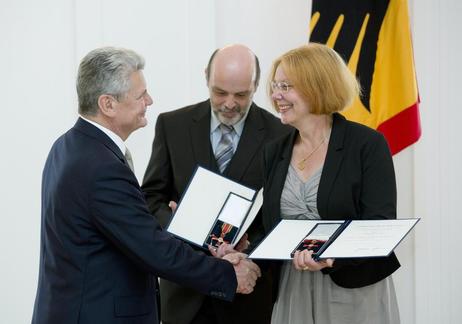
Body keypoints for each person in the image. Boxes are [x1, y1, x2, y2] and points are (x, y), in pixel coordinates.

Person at [31, 46, 261, 324]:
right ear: (108, 104)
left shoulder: (69, 145)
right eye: (140, 95)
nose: (149, 101)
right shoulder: (101, 167)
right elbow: (153, 249)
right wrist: (226, 274)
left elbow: (126, 231)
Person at [142, 44, 290, 324]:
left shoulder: (282, 134)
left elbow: (282, 213)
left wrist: (247, 253)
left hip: (249, 296)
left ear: (257, 85)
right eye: (220, 92)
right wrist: (180, 223)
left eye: (241, 94)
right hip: (184, 296)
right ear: (206, 78)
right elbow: (150, 197)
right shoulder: (172, 125)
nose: (229, 103)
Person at [261, 43, 401, 324]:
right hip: (294, 289)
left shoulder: (367, 144)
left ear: (317, 86)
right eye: (275, 85)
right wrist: (237, 247)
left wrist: (331, 258)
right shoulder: (275, 150)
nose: (276, 95)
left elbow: (378, 225)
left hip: (353, 290)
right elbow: (271, 225)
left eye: (286, 86)